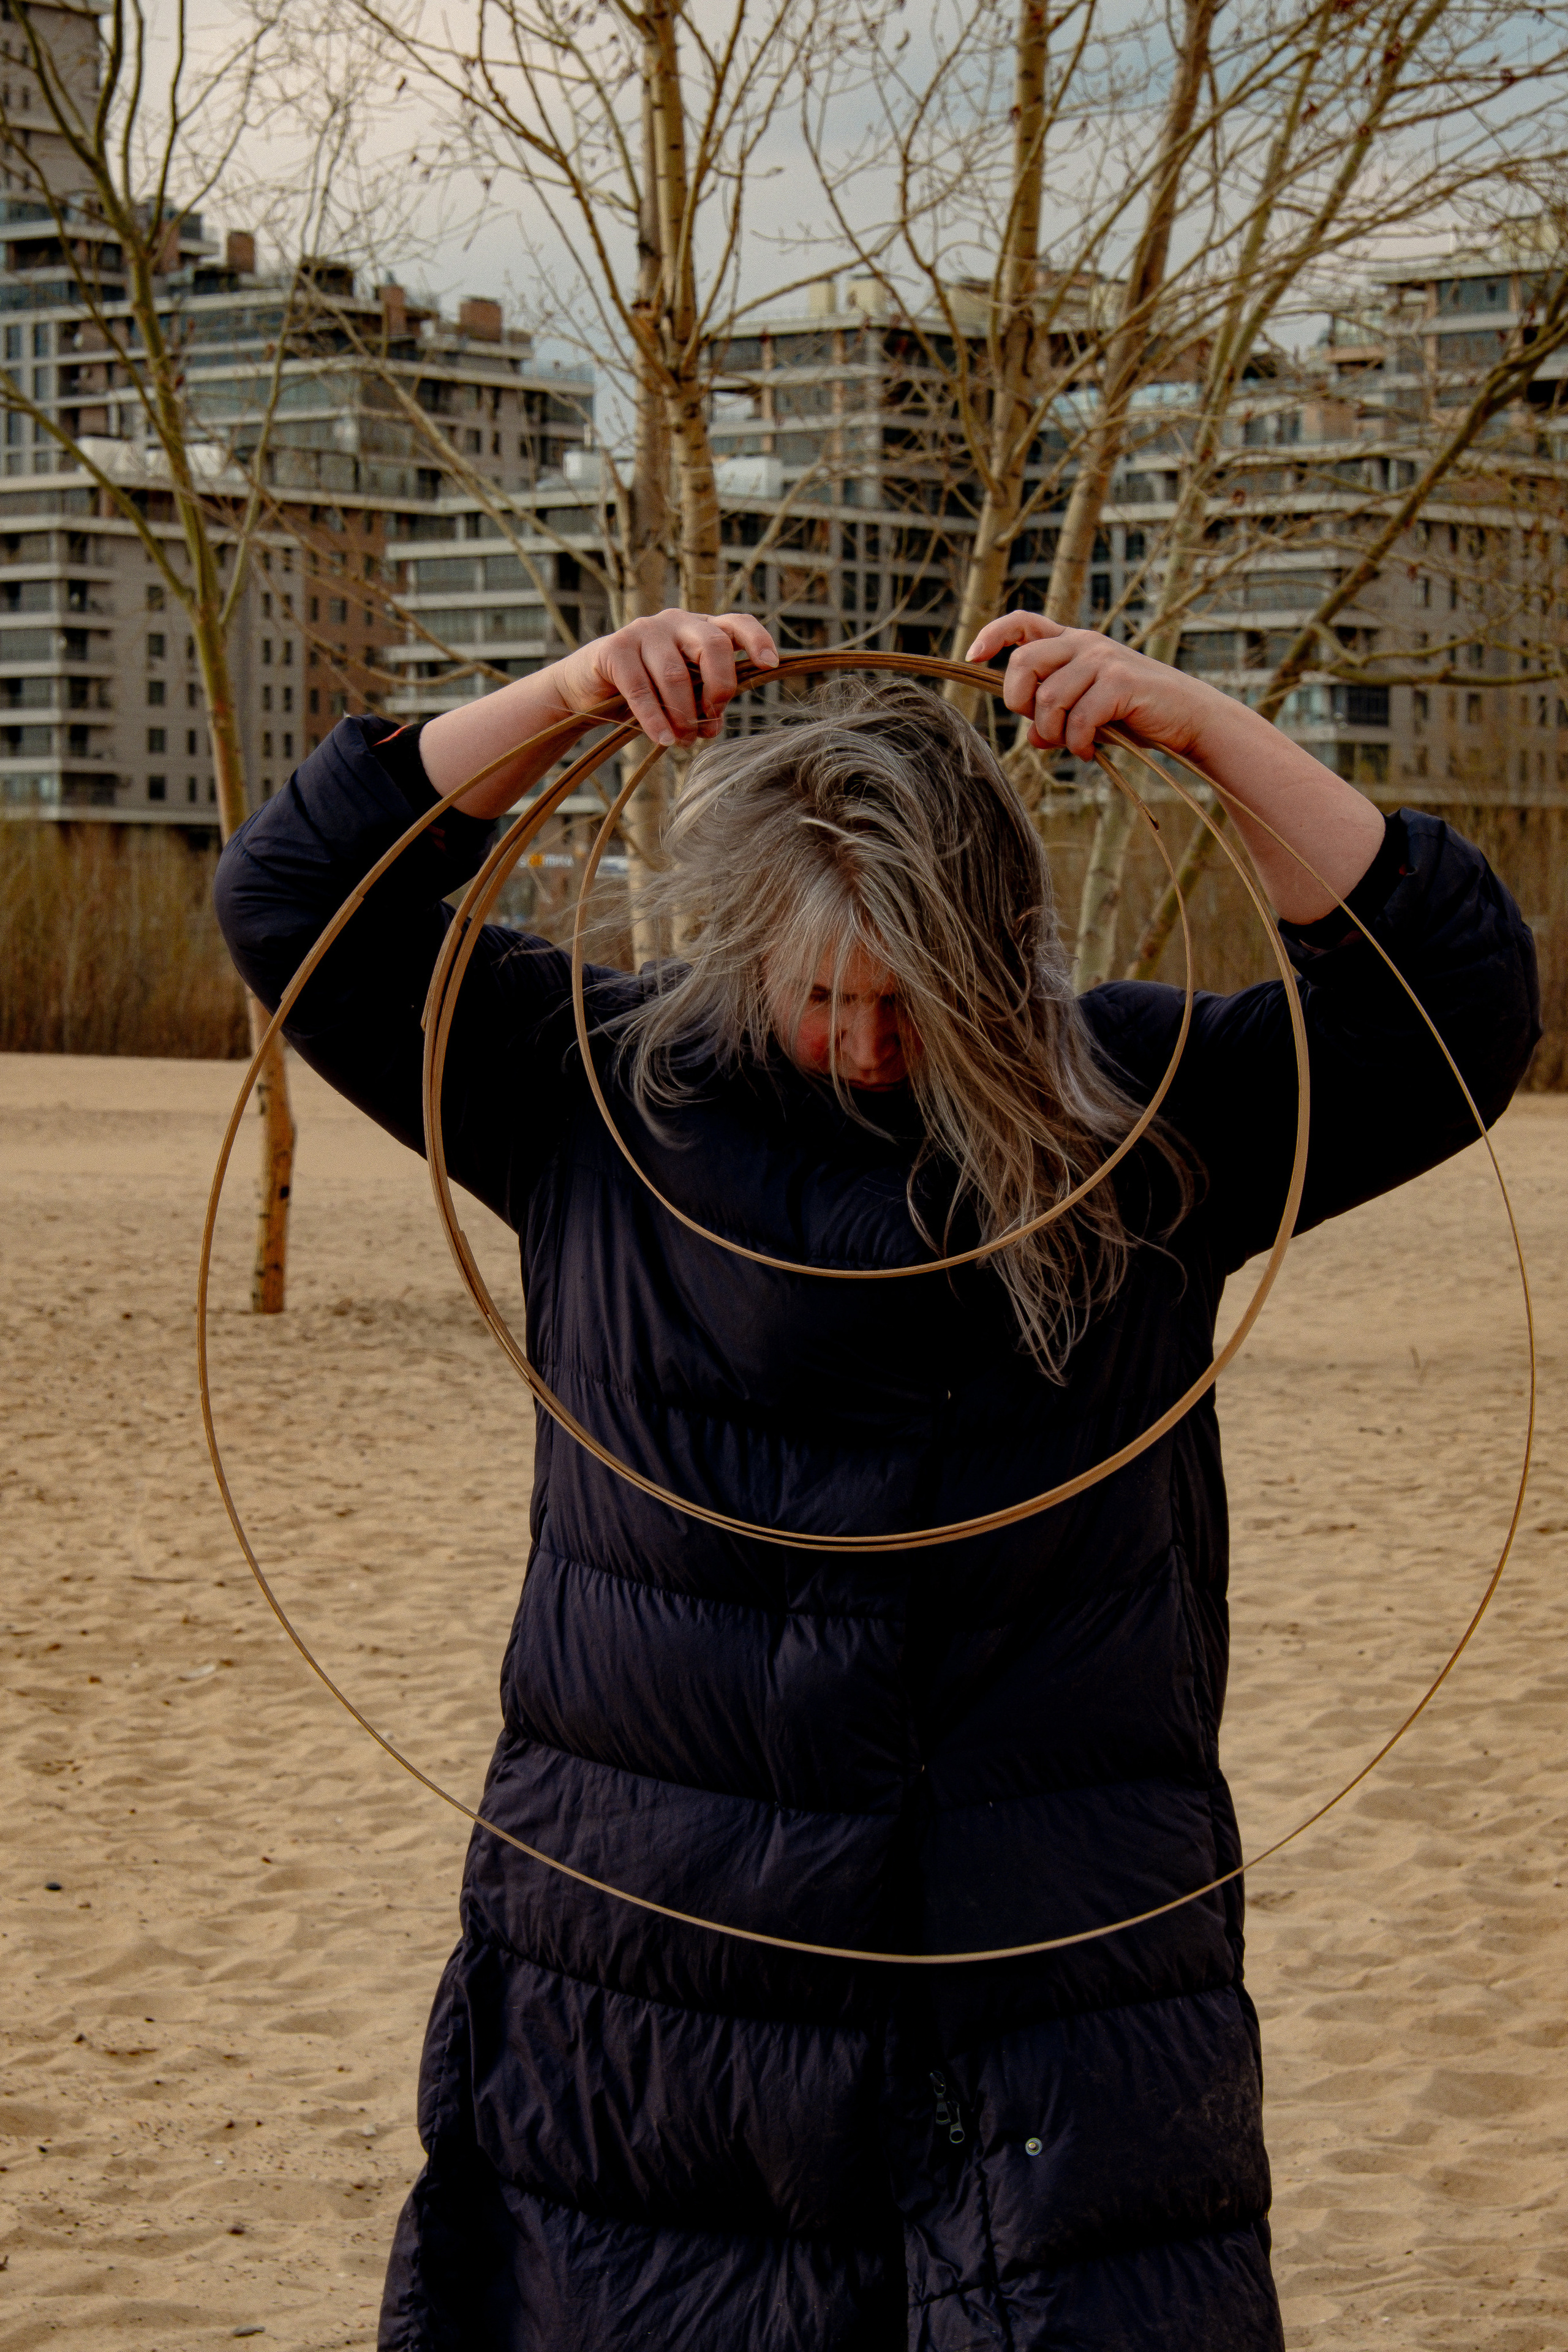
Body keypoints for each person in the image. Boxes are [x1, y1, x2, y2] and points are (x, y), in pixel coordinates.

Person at [215, 608, 1539, 2352]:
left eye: (915, 996)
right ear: (750, 942)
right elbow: (296, 907)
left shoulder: (1140, 1121)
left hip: (1048, 1962)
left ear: (999, 947)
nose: (865, 1043)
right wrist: (568, 697)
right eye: (825, 992)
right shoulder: (594, 1098)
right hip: (657, 1951)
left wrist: (1198, 726)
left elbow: (1450, 1005)